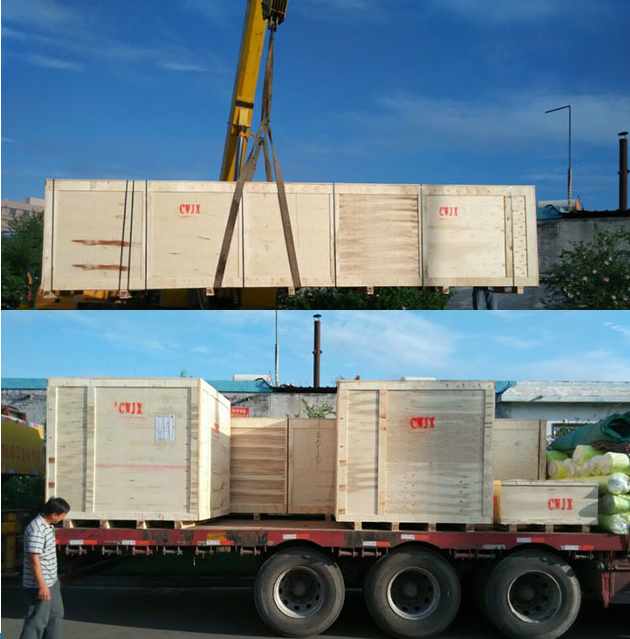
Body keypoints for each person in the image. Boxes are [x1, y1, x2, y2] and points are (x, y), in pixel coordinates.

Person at [19, 497, 70, 639]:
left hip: (51, 581)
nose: (63, 518)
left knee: (56, 616)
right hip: (39, 584)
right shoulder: (36, 529)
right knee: (37, 621)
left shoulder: (48, 525)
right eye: (63, 515)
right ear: (54, 514)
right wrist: (42, 586)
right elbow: (34, 560)